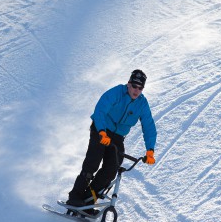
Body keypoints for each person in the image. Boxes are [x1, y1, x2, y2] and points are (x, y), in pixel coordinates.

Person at [66, 69, 157, 209]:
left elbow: (148, 126)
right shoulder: (116, 93)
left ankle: (87, 202)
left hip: (117, 136)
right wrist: (102, 132)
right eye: (134, 86)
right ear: (128, 84)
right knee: (93, 162)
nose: (136, 90)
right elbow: (100, 110)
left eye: (140, 88)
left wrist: (150, 150)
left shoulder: (142, 103)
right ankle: (75, 197)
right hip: (101, 129)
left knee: (111, 168)